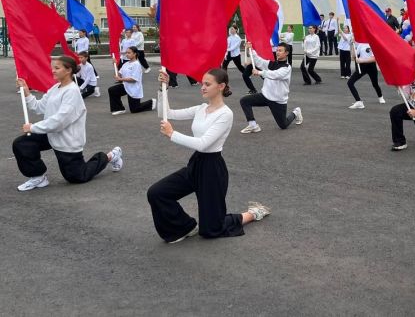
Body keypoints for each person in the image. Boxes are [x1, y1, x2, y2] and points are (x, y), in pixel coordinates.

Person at [148, 68, 271, 243]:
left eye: (207, 84)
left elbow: (204, 143)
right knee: (157, 193)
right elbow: (166, 113)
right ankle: (185, 227)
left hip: (212, 169)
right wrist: (163, 89)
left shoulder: (226, 114)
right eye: (202, 83)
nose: (202, 87)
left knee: (211, 229)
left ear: (221, 86)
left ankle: (253, 213)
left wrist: (172, 134)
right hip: (196, 164)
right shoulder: (201, 108)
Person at [12, 56, 123, 191]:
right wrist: (27, 92)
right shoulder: (55, 88)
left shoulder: (72, 92)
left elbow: (60, 121)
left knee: (77, 177)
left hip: (67, 141)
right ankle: (37, 177)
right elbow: (39, 107)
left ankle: (110, 156)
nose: (53, 71)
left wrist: (33, 127)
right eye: (53, 67)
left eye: (57, 68)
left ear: (68, 70)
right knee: (22, 144)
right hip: (52, 134)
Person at [239, 42, 303, 133]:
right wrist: (251, 49)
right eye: (277, 50)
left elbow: (275, 75)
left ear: (286, 53)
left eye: (280, 50)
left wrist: (260, 72)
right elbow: (258, 61)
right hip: (265, 96)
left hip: (278, 100)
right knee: (244, 101)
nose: (277, 52)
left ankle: (296, 112)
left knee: (283, 125)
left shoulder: (287, 68)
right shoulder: (271, 64)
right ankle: (253, 125)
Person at [108, 46, 156, 115]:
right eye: (126, 53)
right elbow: (119, 74)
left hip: (134, 88)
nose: (127, 54)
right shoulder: (126, 64)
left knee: (134, 109)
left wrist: (120, 79)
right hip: (126, 86)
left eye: (129, 53)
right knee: (112, 90)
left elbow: (133, 79)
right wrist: (114, 65)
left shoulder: (136, 65)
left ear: (135, 54)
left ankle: (151, 103)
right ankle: (119, 108)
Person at [389, 72, 415, 151]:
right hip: (412, 106)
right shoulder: (412, 77)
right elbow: (407, 96)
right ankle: (400, 141)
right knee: (395, 111)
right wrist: (399, 87)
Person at [347, 42, 385, 109]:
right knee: (350, 82)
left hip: (371, 66)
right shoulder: (360, 44)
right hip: (362, 67)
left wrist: (362, 60)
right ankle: (359, 101)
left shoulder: (373, 44)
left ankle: (380, 96)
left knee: (375, 84)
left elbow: (374, 58)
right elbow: (353, 57)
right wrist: (352, 45)